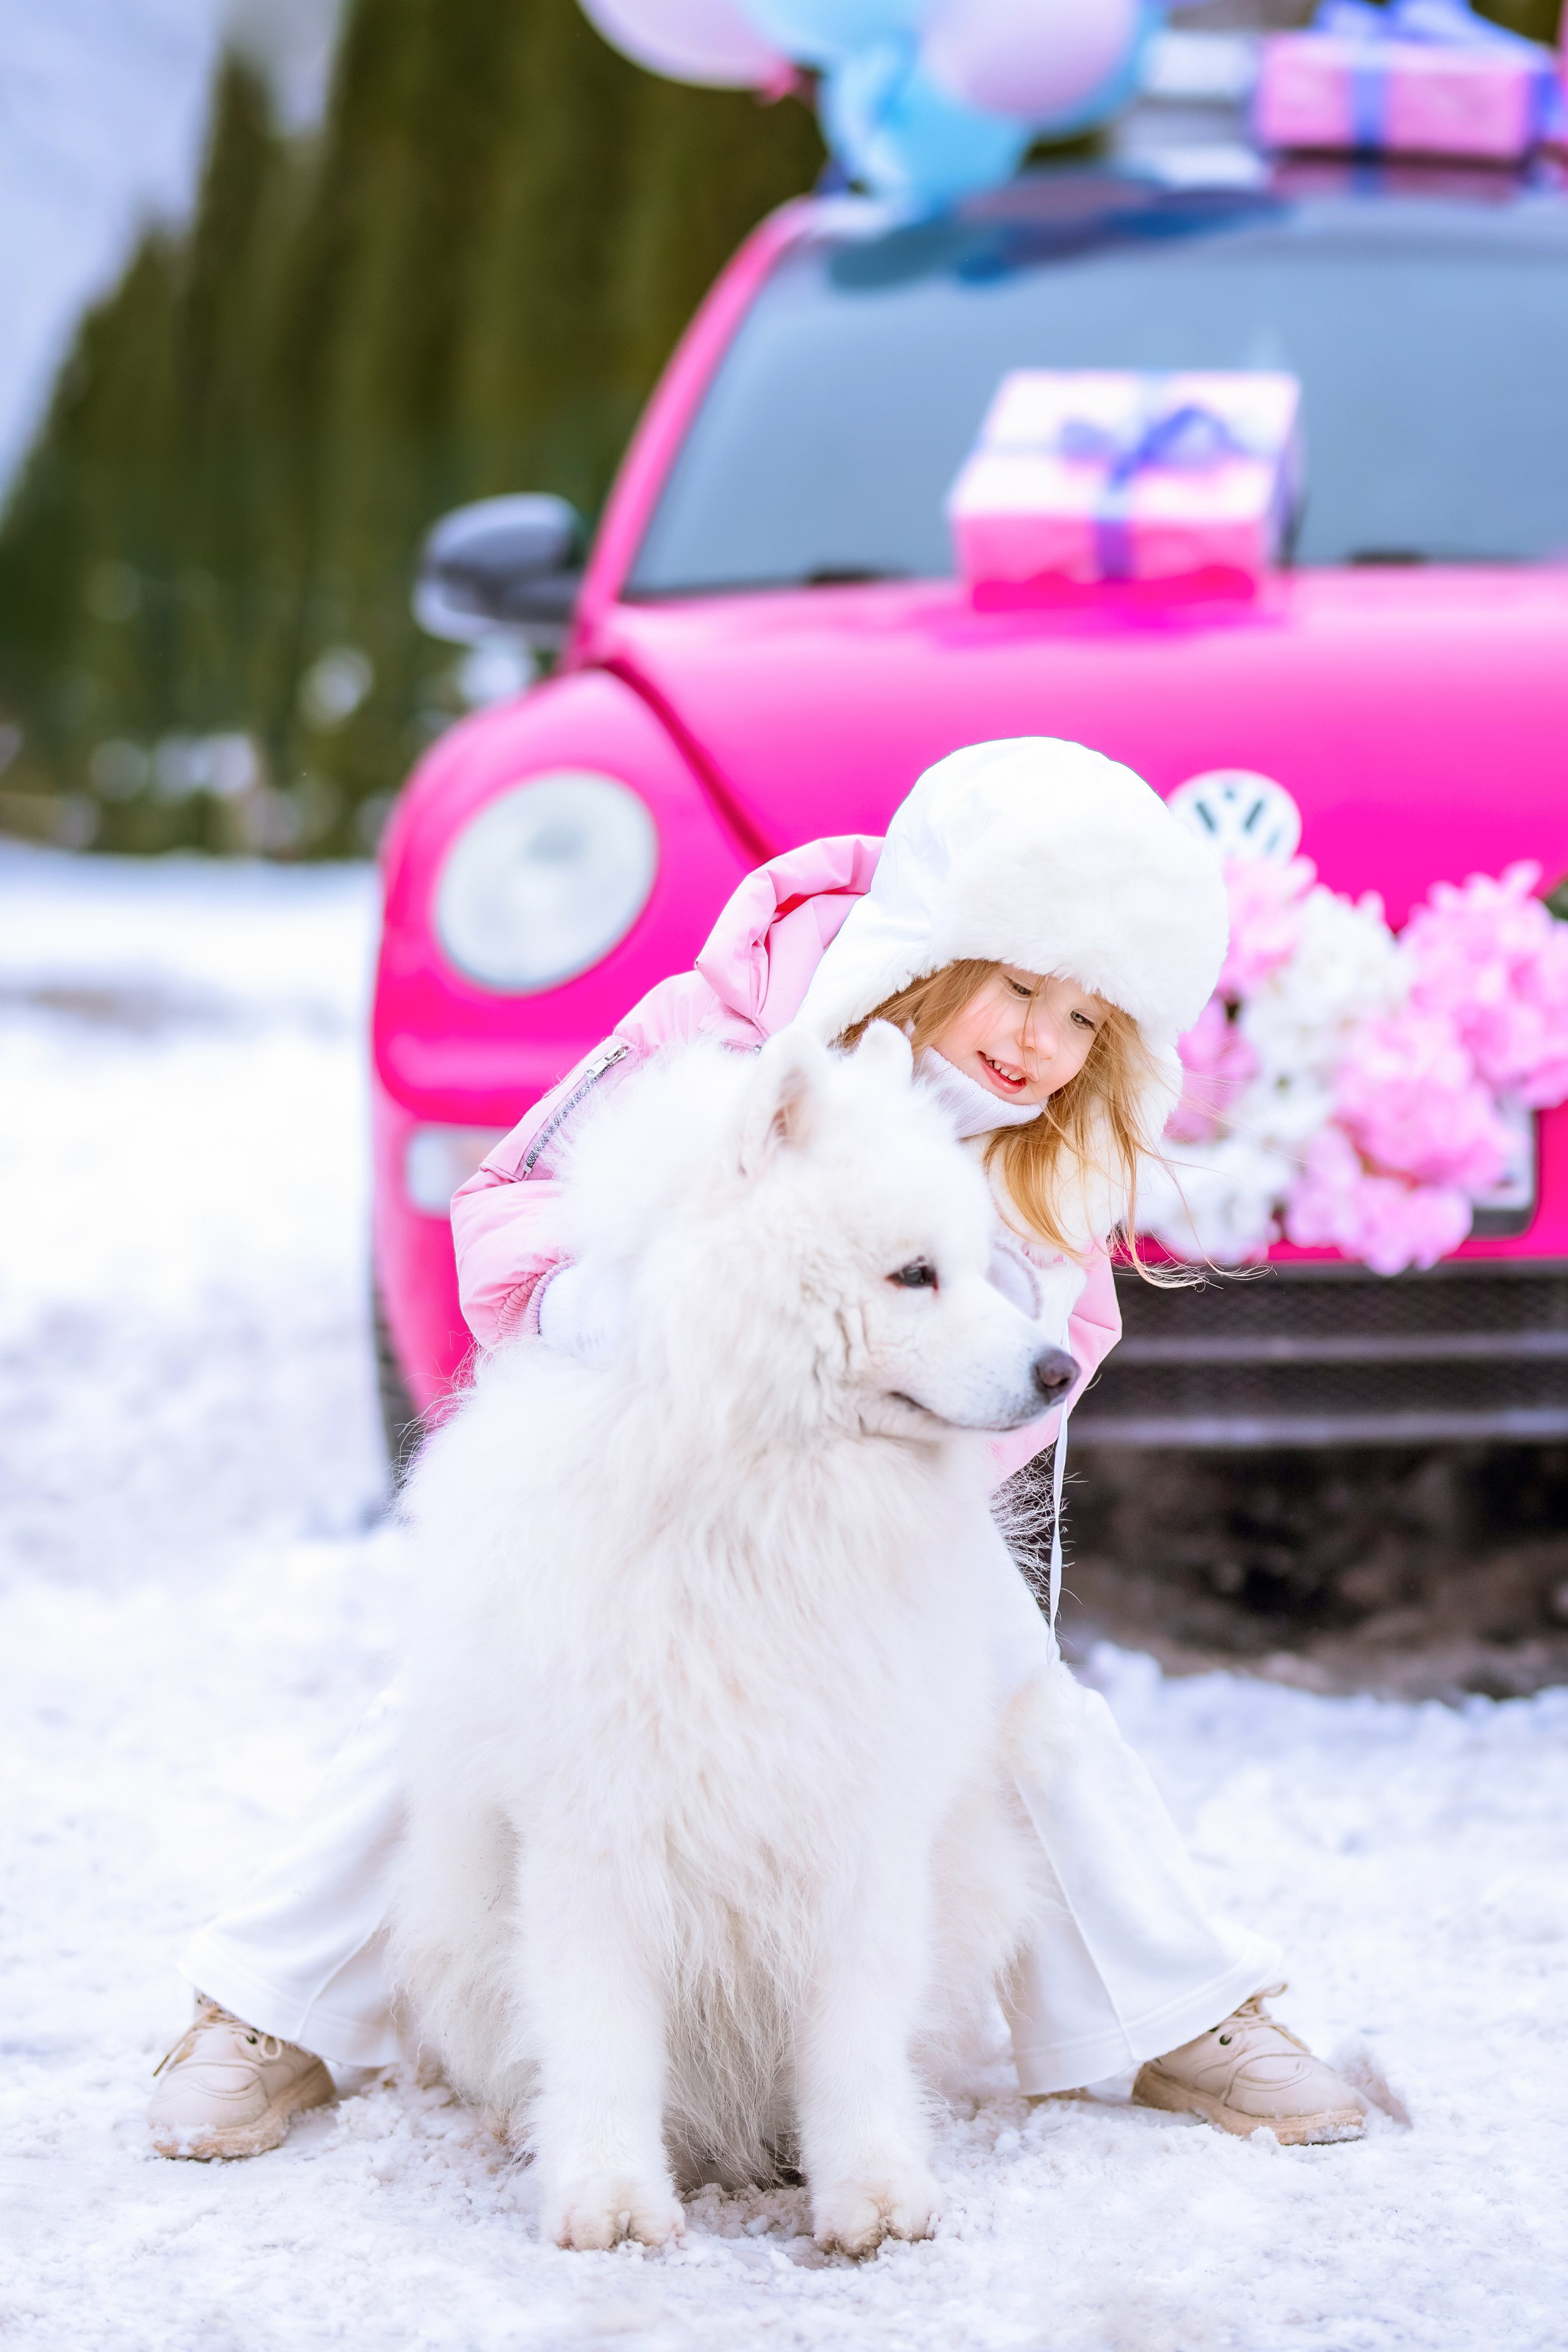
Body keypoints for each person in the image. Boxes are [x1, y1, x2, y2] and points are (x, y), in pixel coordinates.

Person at [149, 738, 1365, 2161]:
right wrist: (613, 1311)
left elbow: (1044, 1359)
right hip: (629, 1453)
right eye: (1020, 986)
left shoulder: (1043, 1159)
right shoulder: (726, 1030)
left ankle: (1168, 2011)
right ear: (937, 946)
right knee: (480, 1671)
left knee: (1003, 1668)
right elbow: (518, 1198)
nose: (1040, 1042)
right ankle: (272, 2005)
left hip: (848, 1500)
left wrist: (883, 1458)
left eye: (1085, 1019)